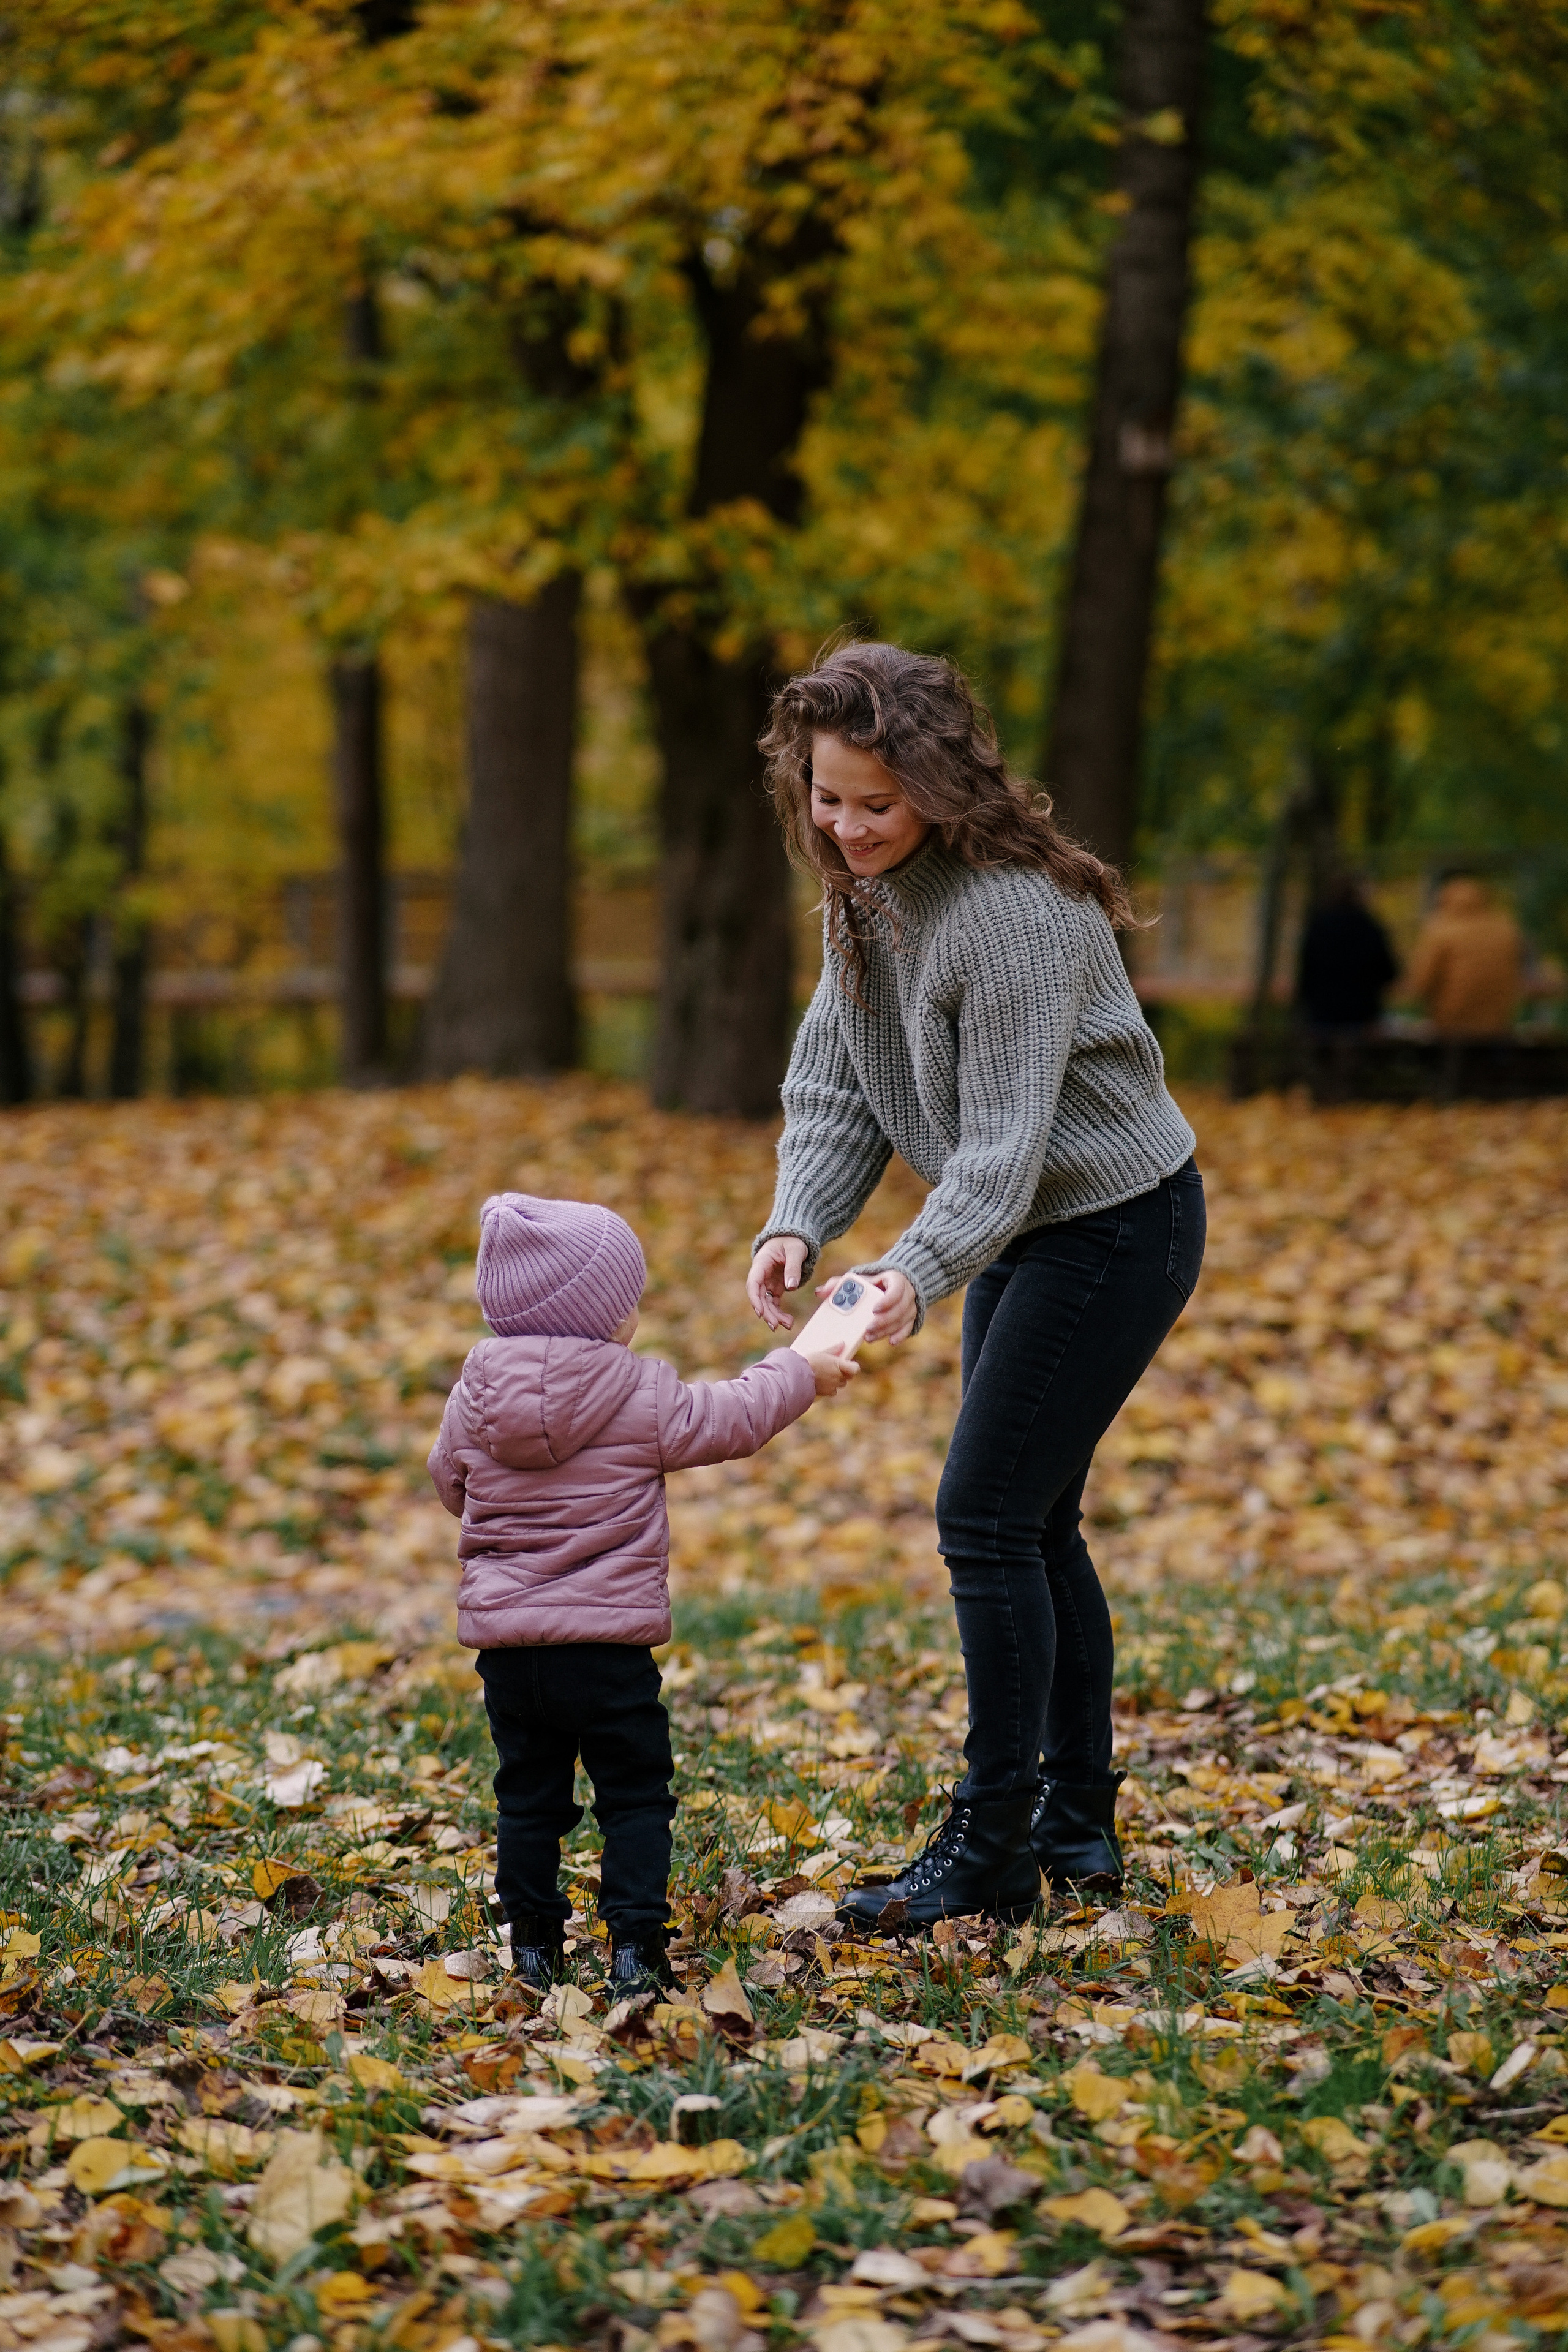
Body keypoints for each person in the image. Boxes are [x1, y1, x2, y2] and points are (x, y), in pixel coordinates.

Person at [746, 641, 1205, 1931]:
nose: (843, 829)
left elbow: (1000, 1149)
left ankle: (993, 1844)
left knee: (984, 1520)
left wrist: (909, 1272)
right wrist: (800, 1221)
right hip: (1023, 1227)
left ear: (940, 786)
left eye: (874, 805)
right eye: (826, 799)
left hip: (1112, 1226)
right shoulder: (868, 891)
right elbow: (835, 1074)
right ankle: (1074, 1832)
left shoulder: (1006, 914)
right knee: (1032, 1523)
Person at [429, 1191, 857, 1994]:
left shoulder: (473, 1396)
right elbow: (734, 1416)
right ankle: (635, 1952)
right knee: (633, 1797)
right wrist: (802, 1370)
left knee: (528, 1798)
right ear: (601, 1316)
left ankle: (532, 1949)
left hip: (511, 1654)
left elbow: (448, 1482)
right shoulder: (638, 1393)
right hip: (610, 1654)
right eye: (628, 1303)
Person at [1406, 874, 1524, 1035]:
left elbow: (1421, 983)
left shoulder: (1441, 930)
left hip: (1450, 1025)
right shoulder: (1506, 929)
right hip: (1497, 1025)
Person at [1296, 874, 1399, 1032]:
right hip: (1361, 1013)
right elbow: (1388, 971)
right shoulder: (1368, 926)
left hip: (1323, 1012)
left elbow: (1306, 970)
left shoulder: (1319, 926)